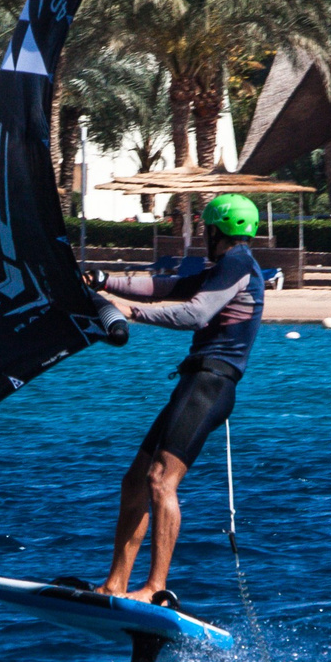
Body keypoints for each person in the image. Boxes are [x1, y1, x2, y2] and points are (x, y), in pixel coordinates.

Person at [82, 192, 267, 604]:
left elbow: (195, 314)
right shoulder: (226, 267)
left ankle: (154, 587)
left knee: (160, 480)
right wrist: (104, 281)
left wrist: (128, 312)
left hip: (211, 385)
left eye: (206, 229)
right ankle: (115, 584)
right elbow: (168, 286)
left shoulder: (237, 263)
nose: (204, 235)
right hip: (195, 383)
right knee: (135, 481)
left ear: (215, 230)